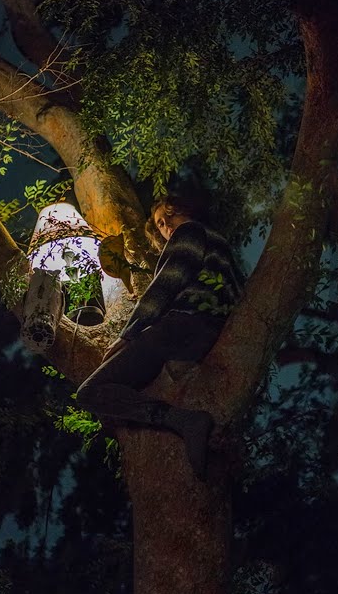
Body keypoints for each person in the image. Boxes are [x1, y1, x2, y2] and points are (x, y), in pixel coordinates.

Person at [75, 195, 245, 482]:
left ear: (185, 210)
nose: (166, 226)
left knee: (90, 392)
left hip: (181, 325)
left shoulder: (190, 232)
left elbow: (166, 285)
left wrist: (128, 334)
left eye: (169, 215)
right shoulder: (223, 247)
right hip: (210, 335)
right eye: (160, 224)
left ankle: (185, 421)